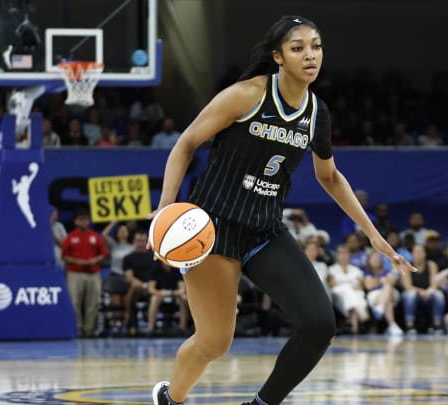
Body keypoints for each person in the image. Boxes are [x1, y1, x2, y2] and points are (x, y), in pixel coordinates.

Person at [149, 16, 416, 405]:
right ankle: (171, 397)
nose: (310, 55)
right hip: (213, 229)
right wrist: (163, 213)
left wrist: (374, 235)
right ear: (278, 57)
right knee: (215, 343)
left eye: (316, 46)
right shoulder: (246, 95)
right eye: (298, 48)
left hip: (264, 231)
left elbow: (330, 177)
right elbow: (185, 144)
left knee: (320, 324)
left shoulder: (316, 114)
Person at [61, 208, 109, 337]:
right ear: (75, 221)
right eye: (81, 219)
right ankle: (77, 329)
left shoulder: (94, 236)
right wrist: (77, 261)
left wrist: (94, 260)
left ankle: (89, 330)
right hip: (75, 273)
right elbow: (64, 256)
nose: (84, 222)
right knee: (74, 301)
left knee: (93, 302)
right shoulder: (70, 237)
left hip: (93, 273)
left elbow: (104, 253)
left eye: (86, 219)